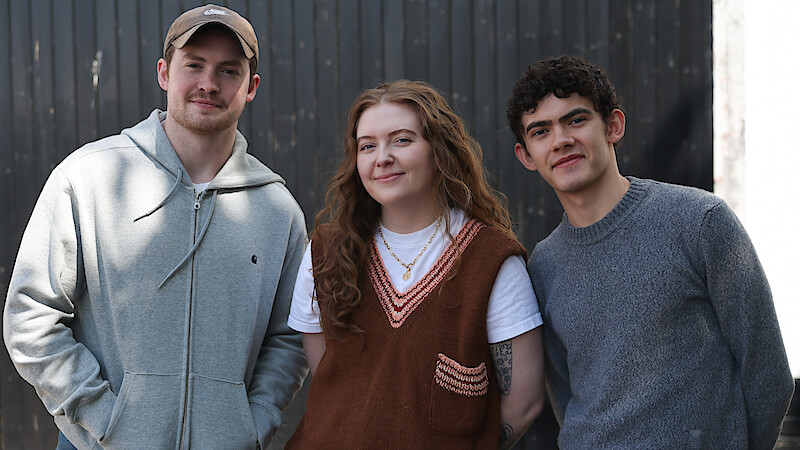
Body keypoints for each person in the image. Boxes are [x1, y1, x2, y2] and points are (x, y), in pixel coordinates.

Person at [3, 4, 307, 449]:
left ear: (251, 87)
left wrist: (250, 425)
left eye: (228, 70)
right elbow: (30, 315)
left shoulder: (278, 211)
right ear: (164, 73)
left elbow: (290, 338)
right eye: (194, 65)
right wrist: (106, 420)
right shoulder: (88, 178)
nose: (208, 83)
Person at [507, 55, 795, 448]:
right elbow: (567, 399)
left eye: (576, 120)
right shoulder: (542, 265)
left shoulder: (699, 221)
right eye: (541, 131)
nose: (560, 140)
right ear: (526, 155)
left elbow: (769, 378)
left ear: (613, 126)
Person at [285, 80, 545, 448]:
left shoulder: (491, 261)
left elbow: (524, 401)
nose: (382, 157)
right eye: (367, 146)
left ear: (439, 150)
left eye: (402, 140)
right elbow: (328, 374)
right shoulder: (325, 253)